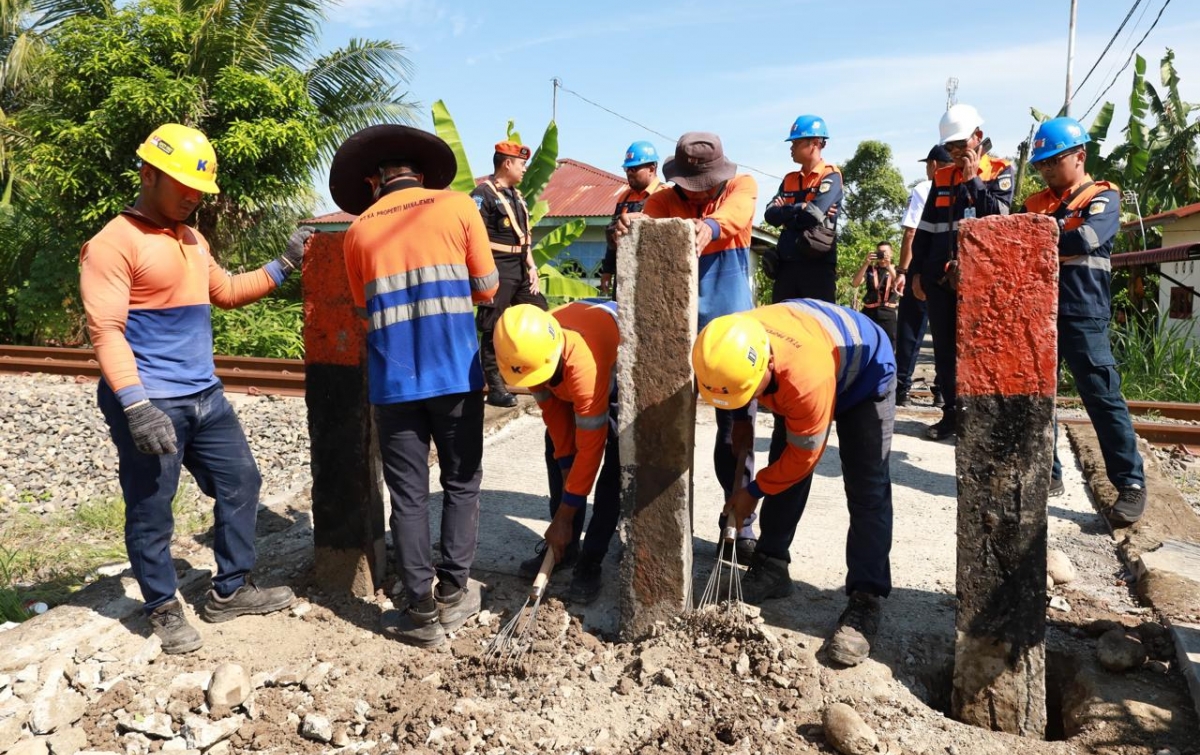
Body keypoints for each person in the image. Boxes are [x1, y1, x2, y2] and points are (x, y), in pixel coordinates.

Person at [80, 123, 304, 654]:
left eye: (198, 190)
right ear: (148, 174)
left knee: (241, 482)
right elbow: (105, 331)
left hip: (205, 396)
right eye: (183, 186)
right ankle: (160, 604)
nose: (192, 198)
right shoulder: (113, 243)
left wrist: (285, 264)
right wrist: (135, 406)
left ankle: (229, 590)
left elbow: (224, 292)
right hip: (151, 401)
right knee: (152, 505)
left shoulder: (191, 239)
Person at [334, 124, 500, 648]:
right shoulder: (456, 207)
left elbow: (364, 310)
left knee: (407, 495)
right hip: (454, 376)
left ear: (374, 179)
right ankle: (454, 589)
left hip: (392, 383)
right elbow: (488, 287)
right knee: (461, 481)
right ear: (422, 174)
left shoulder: (357, 231)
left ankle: (420, 610)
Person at [692, 299, 896, 667]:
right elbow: (734, 386)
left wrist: (753, 492)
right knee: (780, 466)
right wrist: (740, 418)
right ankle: (771, 566)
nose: (752, 398)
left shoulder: (805, 381)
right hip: (805, 354)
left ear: (768, 364)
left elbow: (805, 457)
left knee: (867, 486)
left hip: (863, 376)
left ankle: (866, 599)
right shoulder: (727, 342)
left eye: (752, 391)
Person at [615, 131, 759, 555]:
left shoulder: (741, 187)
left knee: (735, 434)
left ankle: (740, 520)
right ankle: (658, 522)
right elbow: (648, 219)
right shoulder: (663, 201)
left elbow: (734, 215)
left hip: (731, 337)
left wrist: (708, 227)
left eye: (703, 187)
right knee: (663, 425)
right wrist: (633, 224)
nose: (694, 196)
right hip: (674, 335)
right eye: (687, 188)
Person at [1020, 116, 1147, 525]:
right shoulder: (1034, 204)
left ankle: (1130, 484)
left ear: (1079, 155)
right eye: (1041, 164)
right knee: (1039, 399)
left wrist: (1047, 236)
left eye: (1053, 161)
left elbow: (1088, 239)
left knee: (1102, 398)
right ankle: (1049, 474)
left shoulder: (1102, 196)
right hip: (1038, 312)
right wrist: (1058, 235)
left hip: (1083, 311)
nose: (1046, 170)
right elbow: (1022, 244)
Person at [494, 301, 621, 604]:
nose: (533, 384)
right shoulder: (526, 353)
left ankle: (591, 558)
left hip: (614, 367)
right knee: (555, 449)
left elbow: (591, 450)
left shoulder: (584, 368)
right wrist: (567, 474)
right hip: (563, 363)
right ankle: (564, 549)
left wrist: (566, 513)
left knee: (616, 462)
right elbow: (557, 424)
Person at [910, 104, 1014, 441]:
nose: (955, 154)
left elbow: (995, 222)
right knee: (944, 350)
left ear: (978, 138)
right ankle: (953, 414)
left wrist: (973, 180)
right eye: (950, 148)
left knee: (980, 351)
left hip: (982, 284)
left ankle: (980, 420)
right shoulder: (941, 177)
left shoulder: (1000, 172)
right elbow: (925, 229)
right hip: (941, 278)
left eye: (960, 146)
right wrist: (915, 273)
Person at [471, 141, 549, 408]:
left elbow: (524, 236)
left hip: (520, 268)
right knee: (492, 327)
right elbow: (474, 237)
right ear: (507, 163)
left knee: (540, 314)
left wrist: (532, 268)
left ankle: (546, 375)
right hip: (497, 269)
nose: (525, 169)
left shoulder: (517, 195)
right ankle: (495, 387)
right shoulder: (483, 193)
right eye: (521, 164)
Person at [894, 145, 953, 407]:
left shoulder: (924, 188)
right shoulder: (959, 187)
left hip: (922, 266)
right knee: (946, 332)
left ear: (934, 165)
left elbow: (911, 233)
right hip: (950, 269)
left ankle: (901, 388)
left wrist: (903, 271)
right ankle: (942, 392)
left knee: (910, 328)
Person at [763, 115, 843, 304]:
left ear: (815, 143)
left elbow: (812, 216)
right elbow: (769, 215)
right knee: (782, 324)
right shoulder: (789, 179)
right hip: (786, 265)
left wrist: (786, 214)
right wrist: (801, 207)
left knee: (819, 325)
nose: (791, 148)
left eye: (796, 143)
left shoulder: (830, 175)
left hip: (818, 265)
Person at [600, 141, 663, 297]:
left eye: (634, 169)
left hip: (654, 274)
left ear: (651, 169)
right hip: (625, 273)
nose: (629, 173)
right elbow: (614, 236)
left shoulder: (665, 195)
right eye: (627, 169)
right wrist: (607, 270)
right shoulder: (624, 197)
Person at [851, 242, 900, 348]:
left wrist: (889, 266)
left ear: (891, 253)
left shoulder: (897, 270)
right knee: (867, 345)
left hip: (888, 315)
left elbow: (900, 286)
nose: (882, 254)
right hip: (869, 313)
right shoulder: (870, 269)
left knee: (889, 346)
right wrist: (866, 263)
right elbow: (855, 283)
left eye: (885, 252)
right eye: (880, 252)